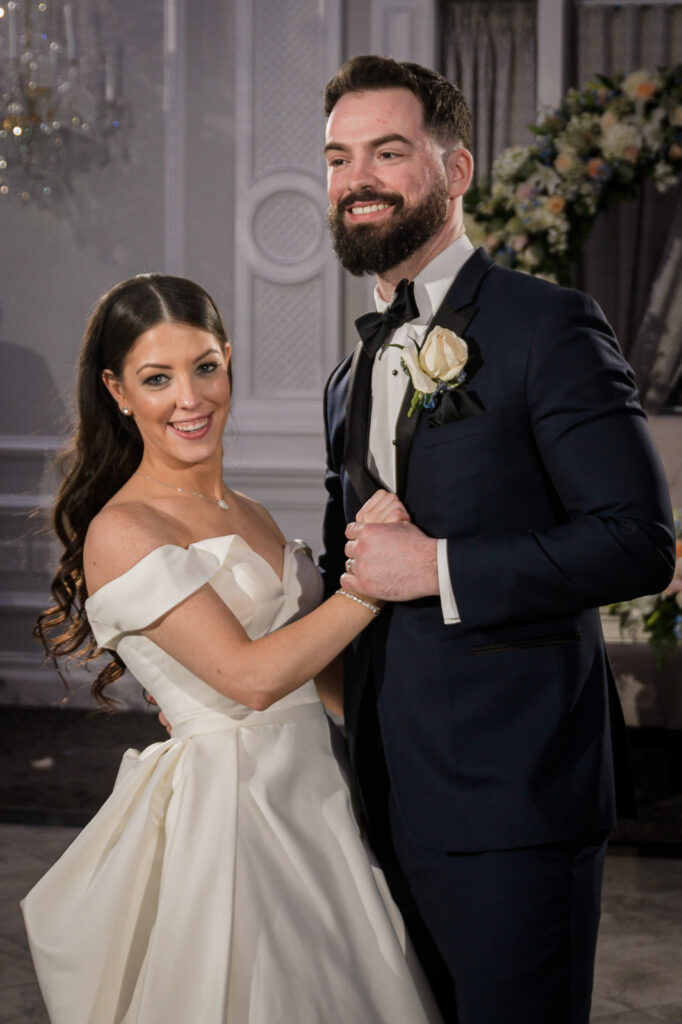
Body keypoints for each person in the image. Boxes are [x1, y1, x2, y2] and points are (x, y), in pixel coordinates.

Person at [319, 55, 676, 1024]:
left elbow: (638, 541)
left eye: (387, 152)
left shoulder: (546, 325)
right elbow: (344, 575)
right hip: (379, 790)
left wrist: (433, 566)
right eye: (338, 156)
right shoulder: (347, 373)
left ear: (456, 169)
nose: (357, 178)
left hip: (516, 798)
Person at [21, 274, 444, 1024]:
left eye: (204, 367)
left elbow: (323, 683)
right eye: (158, 378)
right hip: (234, 817)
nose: (190, 398)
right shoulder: (124, 529)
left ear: (229, 361)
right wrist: (371, 585)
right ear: (118, 391)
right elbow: (250, 682)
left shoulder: (247, 510)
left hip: (317, 800)